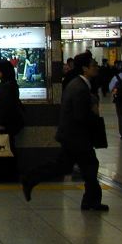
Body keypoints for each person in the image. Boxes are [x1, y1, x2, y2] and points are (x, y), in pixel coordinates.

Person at [23, 53, 108, 211]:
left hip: (72, 136)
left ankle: (90, 201)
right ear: (84, 68)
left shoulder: (78, 84)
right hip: (76, 138)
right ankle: (31, 178)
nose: (96, 67)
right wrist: (93, 113)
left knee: (67, 166)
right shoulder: (80, 88)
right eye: (93, 65)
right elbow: (80, 115)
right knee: (88, 166)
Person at [0, 60, 24, 182]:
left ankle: (3, 175)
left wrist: (1, 123)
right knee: (7, 148)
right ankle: (7, 174)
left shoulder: (7, 86)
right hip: (10, 123)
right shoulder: (9, 84)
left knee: (4, 149)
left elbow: (6, 106)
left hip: (5, 125)